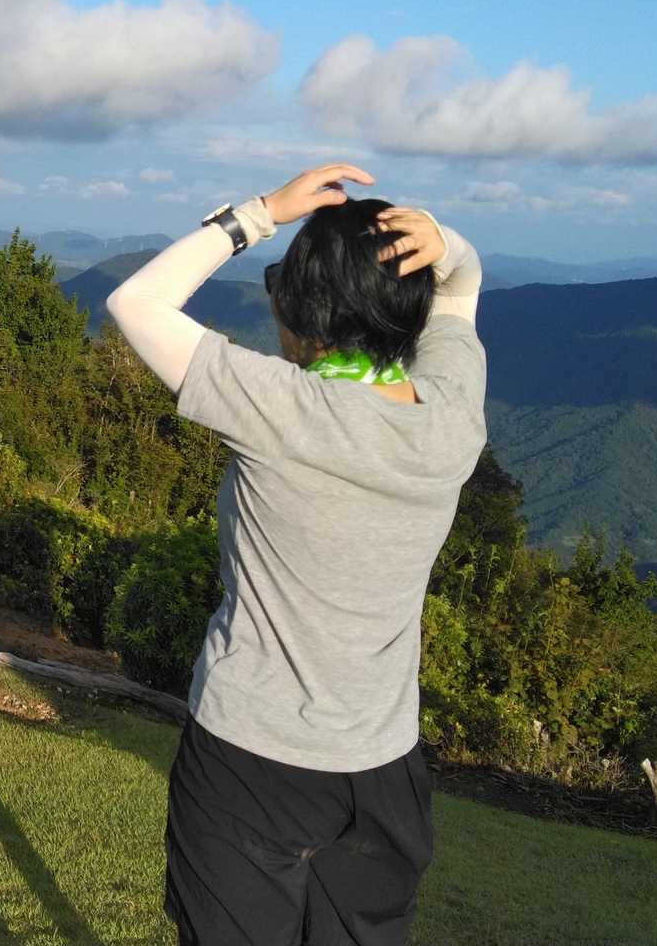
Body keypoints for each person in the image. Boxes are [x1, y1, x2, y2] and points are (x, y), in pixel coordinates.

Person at [106, 164, 486, 946]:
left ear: (303, 315)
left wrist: (259, 214)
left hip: (250, 760)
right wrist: (442, 243)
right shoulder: (452, 416)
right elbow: (461, 285)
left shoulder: (279, 408)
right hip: (384, 770)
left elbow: (135, 303)